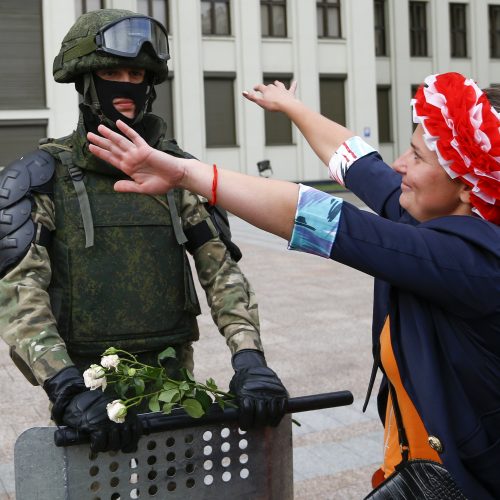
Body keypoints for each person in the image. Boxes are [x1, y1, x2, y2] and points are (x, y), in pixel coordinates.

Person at [87, 72, 500, 499]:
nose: (400, 165)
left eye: (417, 157)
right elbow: (360, 164)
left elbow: (328, 221)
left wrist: (185, 173)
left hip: (462, 484)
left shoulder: (472, 261)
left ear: (468, 186)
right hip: (418, 470)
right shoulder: (435, 216)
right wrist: (292, 108)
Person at [0, 9, 288, 454]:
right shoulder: (43, 177)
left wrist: (249, 357)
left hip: (172, 381)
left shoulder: (178, 174)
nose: (127, 85)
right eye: (112, 72)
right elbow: (20, 296)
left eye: (136, 73)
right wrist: (66, 388)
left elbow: (221, 272)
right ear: (86, 82)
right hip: (88, 392)